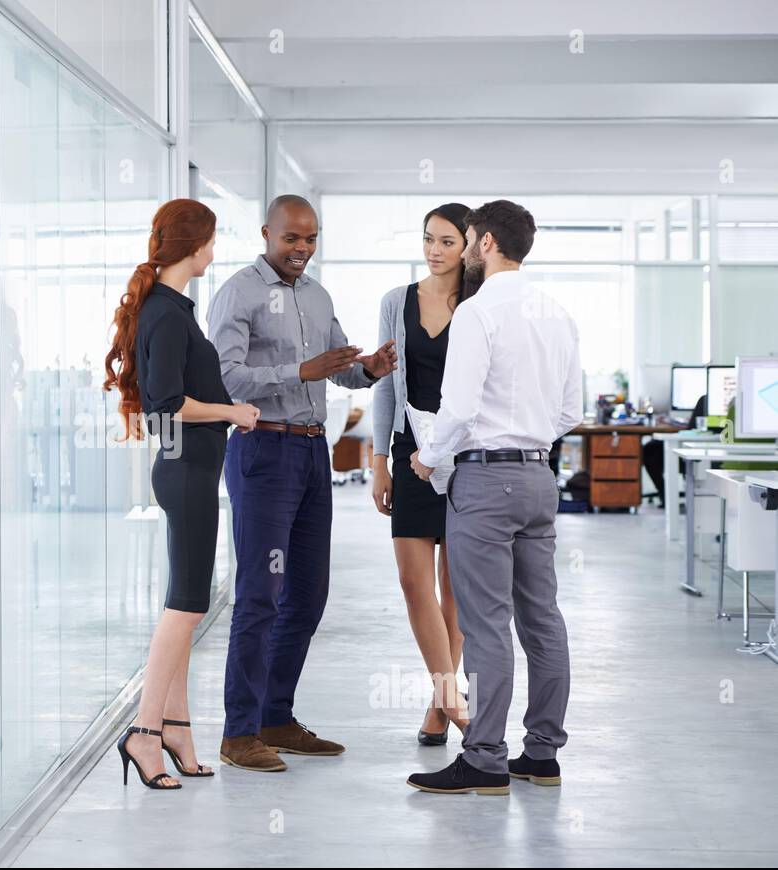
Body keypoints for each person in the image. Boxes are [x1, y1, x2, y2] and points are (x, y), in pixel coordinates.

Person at [208, 194, 397, 772]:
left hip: (314, 452)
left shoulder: (318, 295)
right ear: (267, 233)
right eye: (292, 238)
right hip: (263, 449)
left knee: (307, 595)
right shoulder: (237, 292)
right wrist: (299, 371)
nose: (302, 249)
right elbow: (226, 377)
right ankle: (238, 732)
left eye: (311, 239)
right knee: (259, 595)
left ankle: (276, 718)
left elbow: (338, 365)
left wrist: (366, 370)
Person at [406, 199, 582, 795]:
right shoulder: (557, 313)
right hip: (538, 478)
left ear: (482, 243)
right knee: (543, 620)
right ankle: (542, 755)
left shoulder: (478, 313)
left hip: (483, 481)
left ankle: (483, 758)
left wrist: (428, 459)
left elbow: (456, 409)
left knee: (485, 626)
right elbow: (569, 412)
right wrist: (527, 439)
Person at [103, 198, 260, 790]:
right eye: (213, 241)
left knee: (185, 600)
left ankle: (176, 726)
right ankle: (144, 732)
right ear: (195, 246)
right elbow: (167, 401)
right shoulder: (167, 315)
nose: (214, 253)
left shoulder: (169, 308)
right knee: (187, 605)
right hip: (187, 470)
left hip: (187, 468)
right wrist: (233, 411)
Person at [370, 203, 477, 746]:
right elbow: (386, 384)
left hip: (464, 457)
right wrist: (379, 460)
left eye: (447, 242)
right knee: (415, 584)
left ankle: (442, 702)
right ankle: (450, 696)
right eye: (428, 239)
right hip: (409, 451)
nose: (434, 251)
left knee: (454, 589)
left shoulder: (481, 303)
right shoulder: (397, 303)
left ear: (469, 246)